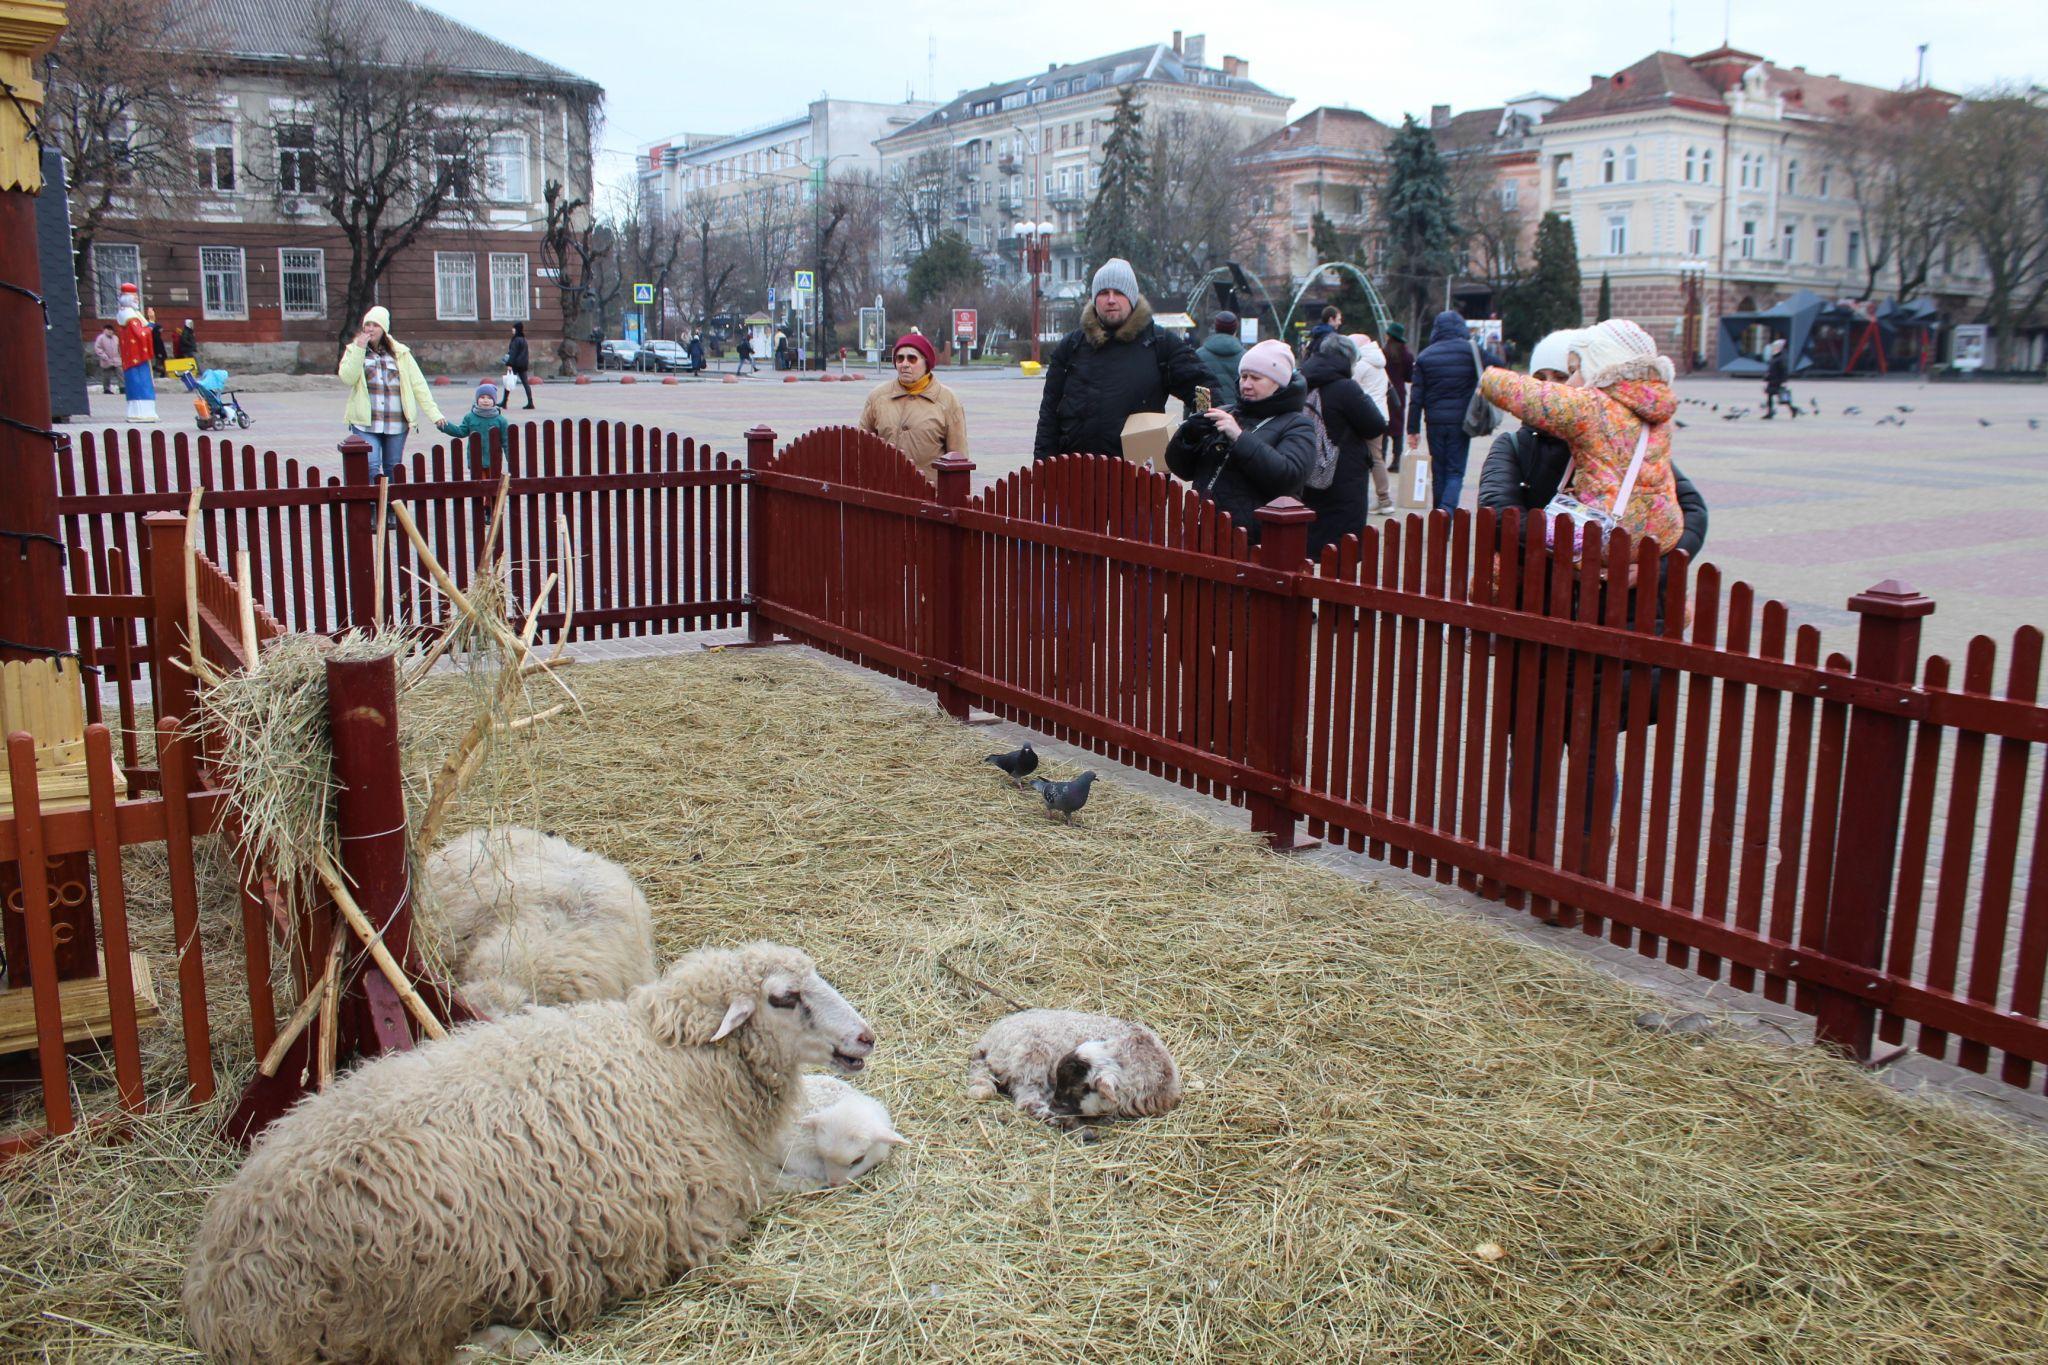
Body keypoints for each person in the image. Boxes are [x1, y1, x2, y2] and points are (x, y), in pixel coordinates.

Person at [1479, 329, 1706, 567]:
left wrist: (1653, 569)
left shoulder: (1629, 442)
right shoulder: (1515, 445)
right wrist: (1570, 549)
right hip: (1543, 589)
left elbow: (1693, 510)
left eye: (1561, 375)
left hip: (1621, 593)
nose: (1551, 386)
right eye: (1539, 378)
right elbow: (1499, 516)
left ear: (1595, 376)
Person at [1033, 257, 1208, 460]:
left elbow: (1204, 390)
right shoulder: (1071, 347)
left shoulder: (1159, 344)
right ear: (1094, 299)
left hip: (1137, 479)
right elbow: (1048, 416)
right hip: (1077, 476)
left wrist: (1190, 438)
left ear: (1132, 298)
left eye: (1119, 292)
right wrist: (1042, 470)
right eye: (1104, 293)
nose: (1111, 300)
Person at [1163, 339, 1316, 545]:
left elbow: (1289, 478)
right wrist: (1189, 436)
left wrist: (1240, 438)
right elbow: (1181, 469)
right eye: (1243, 376)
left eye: (1256, 378)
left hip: (1250, 539)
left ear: (1278, 383)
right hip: (1200, 530)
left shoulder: (1297, 425)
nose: (1246, 384)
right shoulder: (1226, 412)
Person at [1299, 333, 1389, 559]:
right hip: (1342, 477)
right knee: (1341, 550)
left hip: (1305, 471)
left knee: (1308, 541)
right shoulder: (1346, 388)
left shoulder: (1302, 381)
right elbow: (1374, 425)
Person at [338, 305, 443, 496]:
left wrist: (435, 415)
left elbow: (419, 385)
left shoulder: (401, 353)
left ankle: (393, 510)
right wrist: (359, 350)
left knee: (393, 468)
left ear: (384, 328)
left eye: (374, 325)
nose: (369, 329)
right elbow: (347, 378)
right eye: (367, 325)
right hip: (365, 423)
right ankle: (372, 508)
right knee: (370, 466)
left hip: (396, 423)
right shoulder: (354, 350)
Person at [1404, 310, 1502, 514]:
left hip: (1434, 422)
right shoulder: (1470, 350)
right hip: (1462, 421)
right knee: (1455, 472)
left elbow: (1416, 398)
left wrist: (1412, 430)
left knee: (1438, 473)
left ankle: (1439, 521)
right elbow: (1499, 365)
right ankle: (1446, 515)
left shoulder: (1425, 356)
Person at [857, 333, 969, 479]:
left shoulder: (948, 400)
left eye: (912, 358)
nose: (904, 364)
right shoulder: (878, 397)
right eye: (900, 358)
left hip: (928, 493)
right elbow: (861, 446)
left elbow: (958, 456)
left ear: (926, 362)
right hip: (885, 492)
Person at [1346, 332, 1397, 514]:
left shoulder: (1360, 365)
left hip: (1366, 416)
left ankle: (1384, 500)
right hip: (1381, 415)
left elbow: (1349, 386)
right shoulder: (1379, 363)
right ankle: (1383, 499)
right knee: (1376, 457)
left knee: (1373, 458)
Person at [436, 381, 511, 475]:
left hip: (494, 460)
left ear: (494, 401)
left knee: (493, 486)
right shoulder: (470, 417)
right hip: (475, 460)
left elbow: (506, 441)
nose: (485, 400)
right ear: (477, 399)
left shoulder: (501, 420)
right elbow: (461, 432)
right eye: (482, 397)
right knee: (479, 485)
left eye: (489, 398)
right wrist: (444, 426)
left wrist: (510, 459)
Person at [115, 284, 158, 422]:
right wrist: (151, 322)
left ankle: (137, 412)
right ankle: (142, 413)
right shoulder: (131, 316)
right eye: (135, 297)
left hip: (131, 355)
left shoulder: (126, 313)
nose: (137, 299)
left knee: (135, 383)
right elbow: (141, 334)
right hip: (137, 356)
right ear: (128, 298)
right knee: (142, 383)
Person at [1195, 310, 1244, 408]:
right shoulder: (1246, 356)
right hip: (1236, 414)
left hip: (1207, 414)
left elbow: (1193, 389)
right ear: (1235, 330)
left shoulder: (1199, 355)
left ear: (1216, 328)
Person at [1381, 321, 1413, 471]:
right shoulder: (1406, 355)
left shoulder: (1383, 352)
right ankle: (1396, 460)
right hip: (1399, 393)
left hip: (1384, 391)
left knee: (1384, 427)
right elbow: (1409, 377)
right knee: (1398, 428)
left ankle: (1381, 458)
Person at [1761, 338, 1797, 419]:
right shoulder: (1775, 357)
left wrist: (1784, 380)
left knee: (1781, 396)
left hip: (1777, 380)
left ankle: (1792, 409)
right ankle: (1770, 412)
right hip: (1772, 380)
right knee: (1771, 396)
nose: (1774, 348)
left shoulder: (1781, 358)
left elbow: (1784, 370)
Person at [504, 322, 534, 409]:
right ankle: (530, 402)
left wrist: (509, 364)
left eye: (514, 328)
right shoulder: (523, 339)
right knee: (526, 383)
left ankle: (504, 401)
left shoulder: (516, 339)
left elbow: (513, 353)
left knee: (509, 382)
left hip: (515, 364)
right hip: (523, 364)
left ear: (517, 329)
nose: (512, 330)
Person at [92, 323, 121, 395]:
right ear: (105, 330)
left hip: (116, 359)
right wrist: (103, 355)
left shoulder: (115, 338)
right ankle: (106, 389)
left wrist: (120, 356)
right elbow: (97, 348)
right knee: (106, 376)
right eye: (109, 330)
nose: (110, 331)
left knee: (121, 374)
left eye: (111, 330)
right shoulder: (101, 338)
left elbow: (119, 348)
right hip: (106, 360)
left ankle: (123, 387)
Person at [146, 306, 167, 376]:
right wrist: (159, 353)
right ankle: (158, 373)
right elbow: (157, 346)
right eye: (161, 329)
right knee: (158, 364)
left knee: (160, 364)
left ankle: (161, 373)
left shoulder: (157, 337)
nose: (162, 330)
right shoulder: (156, 338)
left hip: (160, 353)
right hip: (159, 353)